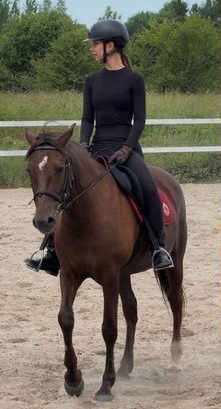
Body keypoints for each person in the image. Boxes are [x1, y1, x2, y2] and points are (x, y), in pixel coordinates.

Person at [25, 18, 173, 275]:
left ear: (111, 45)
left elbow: (140, 120)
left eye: (95, 44)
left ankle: (159, 248)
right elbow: (87, 118)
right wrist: (83, 144)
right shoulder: (92, 81)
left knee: (148, 187)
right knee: (68, 189)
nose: (92, 49)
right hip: (97, 146)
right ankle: (49, 250)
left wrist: (127, 148)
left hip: (125, 147)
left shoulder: (134, 80)